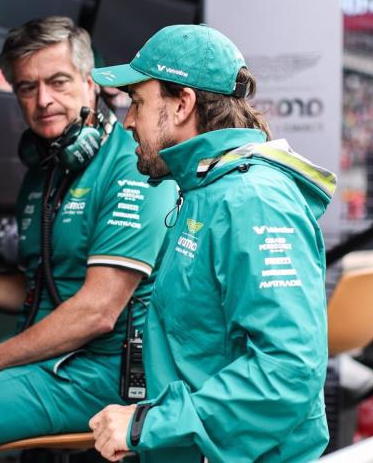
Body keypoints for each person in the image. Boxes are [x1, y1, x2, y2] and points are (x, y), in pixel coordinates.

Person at [0, 17, 176, 461]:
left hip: (102, 373)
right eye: (27, 87)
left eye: (58, 82)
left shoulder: (131, 167)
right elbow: (38, 288)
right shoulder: (45, 172)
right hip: (46, 362)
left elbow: (97, 311)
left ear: (90, 82)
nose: (43, 100)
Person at [88, 24, 337, 462]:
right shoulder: (206, 188)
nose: (128, 120)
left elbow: (288, 371)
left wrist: (149, 424)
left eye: (138, 102)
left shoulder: (253, 200)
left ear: (182, 104)